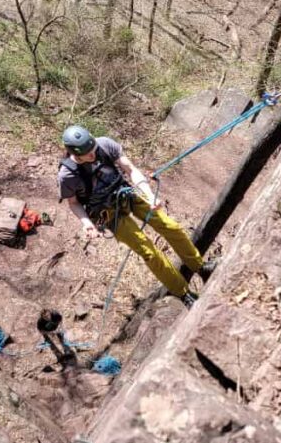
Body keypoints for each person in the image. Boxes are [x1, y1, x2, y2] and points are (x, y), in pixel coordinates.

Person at [57, 125, 216, 308]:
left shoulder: (105, 145)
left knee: (171, 226)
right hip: (108, 213)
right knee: (148, 251)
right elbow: (73, 203)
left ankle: (200, 267)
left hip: (127, 194)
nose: (93, 155)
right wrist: (87, 223)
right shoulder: (67, 175)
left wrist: (149, 195)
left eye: (93, 150)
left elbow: (130, 170)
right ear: (74, 153)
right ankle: (183, 292)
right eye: (88, 155)